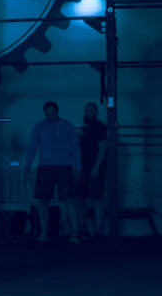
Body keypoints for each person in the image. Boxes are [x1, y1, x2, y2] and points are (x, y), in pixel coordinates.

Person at [24, 101, 82, 243]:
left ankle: (75, 232)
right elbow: (32, 147)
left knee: (69, 200)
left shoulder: (67, 126)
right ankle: (44, 232)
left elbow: (75, 148)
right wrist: (27, 165)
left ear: (57, 111)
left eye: (52, 113)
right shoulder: (39, 127)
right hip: (45, 167)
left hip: (64, 166)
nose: (50, 116)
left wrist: (78, 167)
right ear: (45, 113)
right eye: (47, 113)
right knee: (42, 201)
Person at [79, 102, 107, 238]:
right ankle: (87, 229)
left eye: (90, 111)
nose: (87, 113)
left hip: (95, 168)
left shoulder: (100, 127)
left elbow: (103, 147)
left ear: (95, 113)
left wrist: (96, 166)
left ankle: (98, 229)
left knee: (96, 199)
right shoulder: (86, 129)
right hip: (84, 168)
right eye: (86, 110)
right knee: (84, 198)